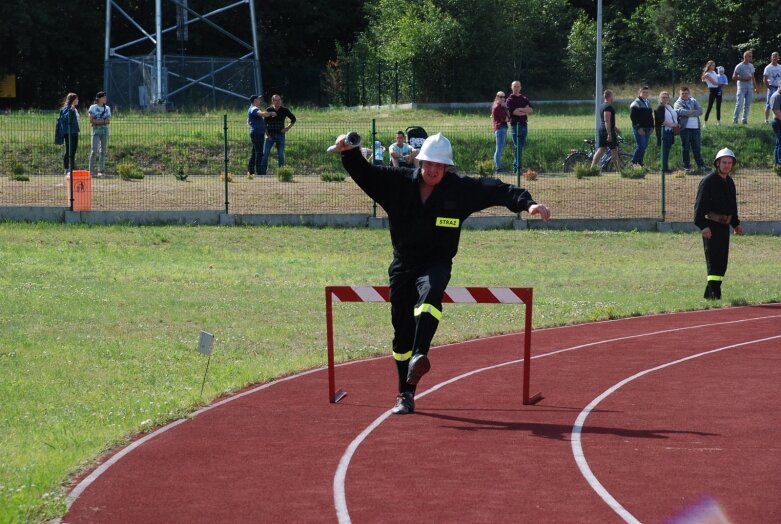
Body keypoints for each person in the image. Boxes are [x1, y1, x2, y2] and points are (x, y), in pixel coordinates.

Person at [331, 132, 551, 414]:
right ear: (420, 162)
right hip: (403, 265)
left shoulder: (459, 189)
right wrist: (348, 152)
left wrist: (528, 203)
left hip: (436, 262)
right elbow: (366, 174)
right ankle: (405, 394)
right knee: (401, 336)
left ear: (447, 167)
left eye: (440, 165)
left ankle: (420, 354)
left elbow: (497, 190)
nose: (434, 170)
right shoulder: (397, 183)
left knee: (432, 290)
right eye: (429, 164)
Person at [694, 148, 743, 300]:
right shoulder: (708, 182)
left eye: (730, 163)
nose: (727, 165)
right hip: (712, 227)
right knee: (713, 260)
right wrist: (703, 226)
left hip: (724, 228)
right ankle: (714, 294)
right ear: (717, 163)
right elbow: (699, 207)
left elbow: (732, 206)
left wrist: (735, 224)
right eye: (724, 162)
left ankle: (711, 293)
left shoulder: (730, 182)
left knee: (722, 262)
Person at [260, 94, 296, 175]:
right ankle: (262, 173)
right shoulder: (268, 110)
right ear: (272, 101)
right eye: (276, 100)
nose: (278, 102)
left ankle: (282, 173)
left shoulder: (285, 110)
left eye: (279, 100)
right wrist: (267, 135)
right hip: (270, 135)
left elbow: (293, 119)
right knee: (265, 154)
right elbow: (264, 124)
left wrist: (287, 128)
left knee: (280, 155)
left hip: (280, 135)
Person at [674, 86, 706, 172]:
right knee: (686, 148)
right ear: (680, 94)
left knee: (697, 147)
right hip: (685, 129)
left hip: (696, 128)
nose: (684, 95)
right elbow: (680, 111)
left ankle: (701, 165)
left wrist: (688, 113)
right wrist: (692, 111)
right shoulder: (677, 103)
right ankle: (686, 166)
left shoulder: (693, 100)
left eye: (686, 93)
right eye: (682, 93)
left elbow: (700, 111)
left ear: (689, 93)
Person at [506, 80, 533, 175]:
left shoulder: (524, 98)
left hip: (524, 125)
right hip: (515, 126)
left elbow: (530, 109)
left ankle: (515, 167)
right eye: (514, 86)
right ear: (511, 87)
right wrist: (524, 111)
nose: (516, 88)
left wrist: (520, 109)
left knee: (519, 148)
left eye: (518, 86)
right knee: (518, 147)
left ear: (520, 87)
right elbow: (513, 112)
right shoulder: (509, 100)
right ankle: (519, 169)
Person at [246, 95, 275, 177]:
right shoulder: (254, 108)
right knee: (259, 153)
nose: (260, 101)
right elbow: (261, 114)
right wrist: (270, 113)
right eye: (259, 99)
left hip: (256, 133)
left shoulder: (252, 108)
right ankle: (259, 173)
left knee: (254, 153)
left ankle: (251, 171)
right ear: (255, 100)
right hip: (257, 134)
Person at [592, 89, 620, 169]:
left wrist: (615, 128)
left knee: (601, 149)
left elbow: (608, 121)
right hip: (607, 131)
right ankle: (618, 170)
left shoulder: (602, 106)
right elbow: (607, 121)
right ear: (610, 96)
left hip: (603, 129)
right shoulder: (608, 107)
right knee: (614, 150)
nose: (613, 97)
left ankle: (592, 168)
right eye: (613, 96)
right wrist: (609, 134)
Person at [654, 91, 680, 173]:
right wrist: (673, 125)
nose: (665, 99)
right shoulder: (660, 107)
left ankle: (665, 167)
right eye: (663, 97)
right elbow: (661, 120)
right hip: (664, 131)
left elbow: (674, 117)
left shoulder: (670, 106)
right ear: (660, 98)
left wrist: (677, 124)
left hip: (670, 131)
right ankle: (663, 169)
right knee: (664, 150)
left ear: (669, 98)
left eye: (666, 97)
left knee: (667, 149)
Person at [88, 91, 112, 178]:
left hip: (104, 131)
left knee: (103, 151)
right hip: (95, 132)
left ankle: (101, 170)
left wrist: (98, 122)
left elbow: (108, 120)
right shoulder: (93, 107)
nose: (105, 99)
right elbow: (91, 120)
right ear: (99, 98)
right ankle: (91, 171)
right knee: (94, 150)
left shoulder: (107, 108)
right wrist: (103, 121)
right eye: (103, 97)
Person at [629, 86, 654, 165]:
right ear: (640, 93)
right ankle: (633, 163)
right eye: (643, 92)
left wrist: (652, 127)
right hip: (640, 129)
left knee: (644, 147)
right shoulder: (636, 103)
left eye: (647, 92)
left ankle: (639, 164)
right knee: (641, 146)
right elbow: (633, 117)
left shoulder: (648, 103)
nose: (645, 94)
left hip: (647, 128)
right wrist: (638, 127)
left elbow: (650, 117)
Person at [732, 50, 758, 125]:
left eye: (751, 56)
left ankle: (744, 120)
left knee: (747, 105)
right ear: (745, 57)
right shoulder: (739, 66)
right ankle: (735, 120)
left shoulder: (751, 66)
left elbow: (753, 77)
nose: (751, 57)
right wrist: (744, 78)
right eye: (749, 56)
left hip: (750, 88)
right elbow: (733, 77)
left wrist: (755, 87)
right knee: (739, 103)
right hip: (741, 88)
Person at [60, 93, 80, 174]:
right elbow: (65, 118)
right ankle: (67, 168)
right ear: (73, 100)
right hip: (69, 133)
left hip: (75, 132)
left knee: (73, 151)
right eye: (77, 99)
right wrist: (71, 110)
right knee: (69, 151)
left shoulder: (74, 108)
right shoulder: (66, 108)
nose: (78, 100)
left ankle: (71, 167)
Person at [491, 91, 511, 172]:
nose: (503, 98)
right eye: (501, 97)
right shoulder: (497, 107)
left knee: (500, 149)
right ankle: (498, 168)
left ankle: (498, 166)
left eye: (504, 97)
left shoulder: (500, 106)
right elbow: (507, 119)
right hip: (500, 129)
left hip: (501, 129)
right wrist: (506, 108)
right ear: (497, 97)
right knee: (499, 149)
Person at [701, 61, 722, 125]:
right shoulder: (707, 74)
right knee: (709, 106)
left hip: (718, 89)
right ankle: (705, 122)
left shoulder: (714, 72)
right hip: (712, 91)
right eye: (712, 65)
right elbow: (714, 82)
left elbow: (717, 80)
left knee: (718, 106)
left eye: (714, 65)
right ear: (709, 66)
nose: (714, 67)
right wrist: (722, 82)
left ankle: (718, 122)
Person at [762, 52, 781, 124]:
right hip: (772, 87)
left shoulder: (780, 67)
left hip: (779, 88)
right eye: (773, 56)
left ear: (778, 58)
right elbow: (765, 79)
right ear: (771, 58)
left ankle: (776, 118)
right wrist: (769, 87)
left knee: (778, 103)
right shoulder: (768, 68)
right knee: (769, 104)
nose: (775, 58)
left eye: (776, 56)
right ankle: (766, 120)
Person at [770, 84, 781, 165]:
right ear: (779, 85)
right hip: (778, 122)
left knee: (778, 143)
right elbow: (776, 110)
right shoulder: (776, 96)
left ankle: (777, 163)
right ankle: (779, 162)